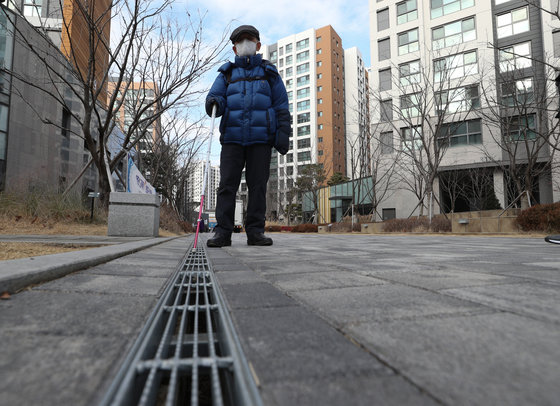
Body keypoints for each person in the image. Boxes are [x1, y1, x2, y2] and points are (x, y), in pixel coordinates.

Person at [205, 25, 291, 247]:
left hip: (261, 140)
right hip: (232, 138)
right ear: (235, 49)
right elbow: (215, 96)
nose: (245, 43)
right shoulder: (227, 74)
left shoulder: (269, 73)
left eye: (249, 39)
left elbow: (282, 106)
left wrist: (282, 136)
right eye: (240, 41)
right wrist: (214, 102)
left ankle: (255, 232)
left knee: (258, 187)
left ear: (258, 45)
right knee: (226, 186)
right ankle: (222, 232)